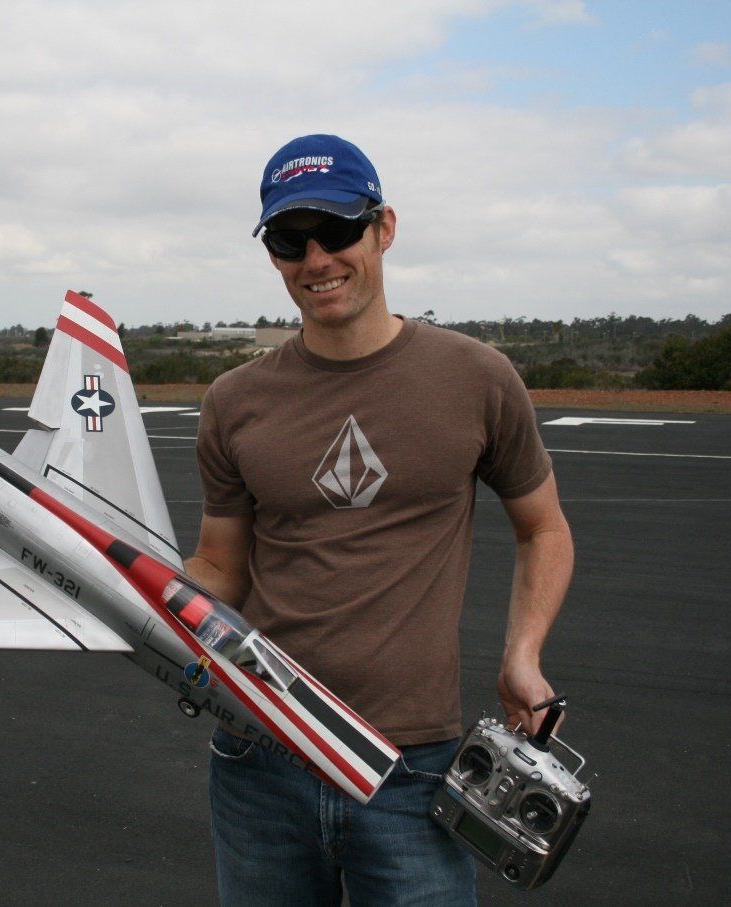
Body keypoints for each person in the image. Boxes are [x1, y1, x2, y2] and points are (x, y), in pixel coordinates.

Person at [183, 134, 575, 906]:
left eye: (336, 230)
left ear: (383, 228)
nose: (316, 259)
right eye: (289, 240)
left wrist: (522, 655)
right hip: (260, 755)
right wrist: (114, 586)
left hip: (412, 766)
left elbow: (543, 528)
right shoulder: (233, 402)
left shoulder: (476, 378)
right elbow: (218, 567)